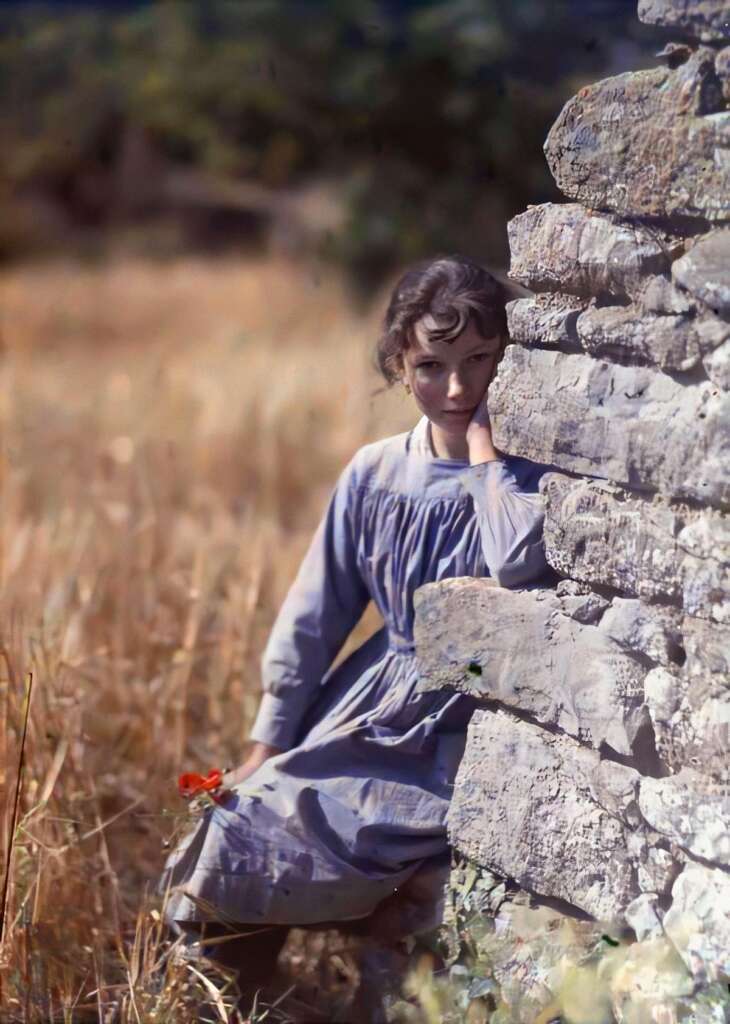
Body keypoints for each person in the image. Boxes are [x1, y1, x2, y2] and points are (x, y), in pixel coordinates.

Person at [160, 254, 553, 999]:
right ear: (399, 366)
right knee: (237, 825)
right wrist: (264, 747)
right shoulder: (374, 473)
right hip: (371, 707)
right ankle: (229, 1001)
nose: (459, 389)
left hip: (464, 724)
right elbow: (315, 616)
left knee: (386, 857)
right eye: (433, 365)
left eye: (481, 361)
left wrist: (483, 457)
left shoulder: (522, 477)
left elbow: (514, 566)